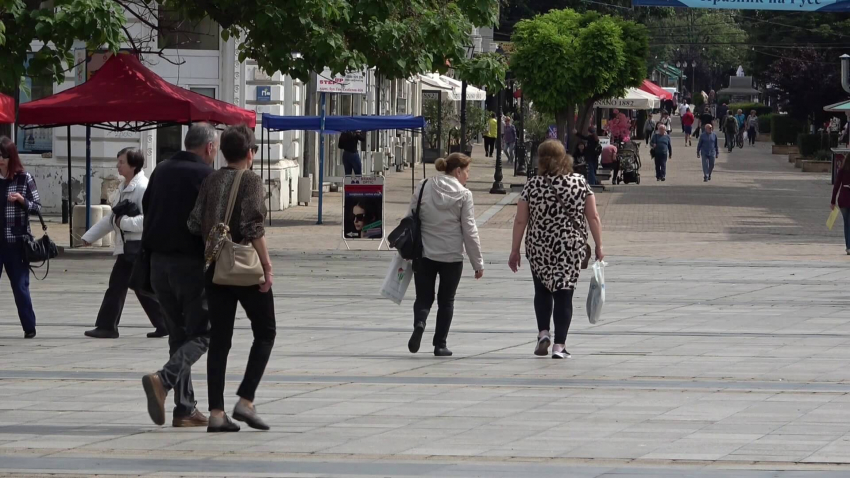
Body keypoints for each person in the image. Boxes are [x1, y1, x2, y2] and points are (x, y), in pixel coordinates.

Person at [188, 124, 275, 433]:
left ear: (223, 152)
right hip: (246, 268)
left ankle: (215, 413)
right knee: (265, 331)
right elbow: (253, 226)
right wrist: (267, 265)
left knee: (220, 341)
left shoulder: (210, 179)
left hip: (215, 268)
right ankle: (246, 400)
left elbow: (194, 222)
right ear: (250, 152)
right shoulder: (252, 180)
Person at [140, 123, 218, 429]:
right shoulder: (206, 177)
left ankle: (184, 409)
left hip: (158, 265)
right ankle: (164, 379)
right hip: (190, 266)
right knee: (204, 333)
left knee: (178, 335)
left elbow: (147, 208)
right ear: (210, 148)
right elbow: (212, 224)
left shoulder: (160, 170)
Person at [508, 140, 604, 359]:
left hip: (538, 245)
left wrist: (515, 250)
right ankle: (559, 346)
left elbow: (520, 220)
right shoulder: (579, 182)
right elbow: (593, 217)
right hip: (569, 246)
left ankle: (543, 333)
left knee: (541, 291)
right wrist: (599, 245)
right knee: (564, 294)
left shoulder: (532, 184)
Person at [81, 148, 167, 339]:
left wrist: (124, 223)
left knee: (122, 286)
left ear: (133, 165)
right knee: (134, 287)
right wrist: (89, 236)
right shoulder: (123, 186)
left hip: (137, 247)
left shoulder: (143, 187)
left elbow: (148, 220)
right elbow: (113, 217)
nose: (118, 165)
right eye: (118, 161)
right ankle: (165, 323)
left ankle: (108, 326)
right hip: (126, 247)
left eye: (122, 162)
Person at [407, 153, 484, 357]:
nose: (468, 176)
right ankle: (440, 344)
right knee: (446, 301)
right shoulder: (464, 195)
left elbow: (410, 217)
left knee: (423, 298)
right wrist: (478, 263)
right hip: (452, 257)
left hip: (424, 253)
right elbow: (469, 229)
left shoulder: (424, 186)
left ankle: (420, 323)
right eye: (467, 172)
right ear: (458, 171)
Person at [0, 137, 40, 339]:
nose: (0, 160)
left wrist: (23, 201)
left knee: (20, 287)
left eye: (3, 156)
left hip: (16, 243)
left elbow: (37, 207)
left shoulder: (24, 178)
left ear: (11, 157)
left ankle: (29, 327)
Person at [831, 156, 850, 254]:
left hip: (843, 199)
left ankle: (848, 246)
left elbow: (837, 185)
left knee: (847, 224)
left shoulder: (842, 170)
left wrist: (833, 201)